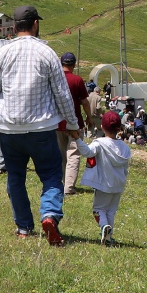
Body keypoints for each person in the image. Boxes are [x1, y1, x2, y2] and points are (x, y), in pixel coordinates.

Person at [0, 6, 79, 244]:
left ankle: (23, 226)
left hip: (10, 129)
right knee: (51, 174)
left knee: (15, 177)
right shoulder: (47, 52)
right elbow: (62, 93)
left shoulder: (2, 53)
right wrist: (72, 123)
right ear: (35, 24)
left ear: (13, 27)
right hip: (42, 128)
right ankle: (50, 215)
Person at [77, 111, 131, 244]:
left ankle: (104, 227)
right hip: (118, 184)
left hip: (104, 183)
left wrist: (77, 139)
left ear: (102, 126)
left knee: (98, 209)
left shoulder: (100, 143)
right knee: (111, 211)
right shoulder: (125, 148)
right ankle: (108, 236)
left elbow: (87, 152)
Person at [60, 52, 89, 195]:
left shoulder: (56, 79)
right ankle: (69, 187)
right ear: (74, 64)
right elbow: (84, 102)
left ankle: (61, 183)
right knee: (73, 154)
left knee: (61, 154)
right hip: (75, 122)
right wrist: (89, 117)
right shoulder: (77, 80)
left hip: (57, 123)